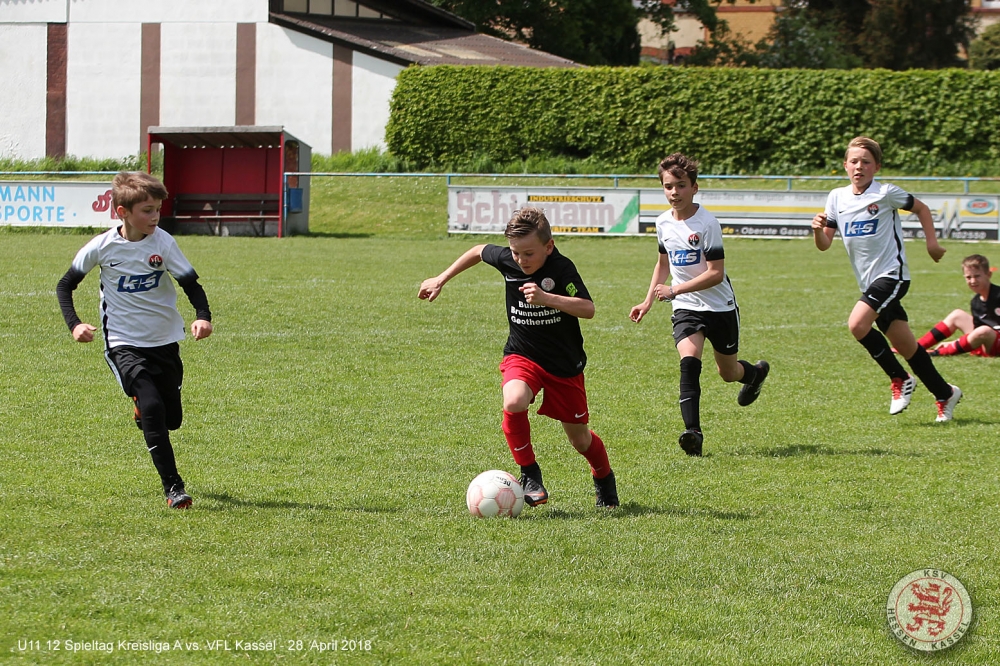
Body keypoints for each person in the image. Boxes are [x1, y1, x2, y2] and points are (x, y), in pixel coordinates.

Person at [418, 207, 618, 508]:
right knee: (513, 400)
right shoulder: (508, 260)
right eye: (515, 253)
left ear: (548, 246)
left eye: (528, 254)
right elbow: (478, 250)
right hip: (522, 354)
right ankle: (529, 473)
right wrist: (441, 278)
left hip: (564, 364)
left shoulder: (562, 268)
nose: (521, 260)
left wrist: (547, 298)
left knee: (580, 440)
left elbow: (587, 308)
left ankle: (604, 478)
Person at [56, 171, 213, 509]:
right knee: (154, 407)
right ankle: (174, 488)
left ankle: (144, 410)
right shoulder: (102, 246)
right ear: (122, 212)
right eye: (147, 210)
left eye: (157, 209)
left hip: (165, 340)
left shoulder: (163, 243)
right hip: (122, 341)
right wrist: (75, 325)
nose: (155, 216)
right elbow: (65, 285)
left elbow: (190, 283)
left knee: (172, 419)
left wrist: (203, 316)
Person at [812, 136, 961, 422]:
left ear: (876, 167)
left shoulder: (886, 193)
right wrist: (818, 229)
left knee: (857, 324)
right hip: (869, 283)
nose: (859, 167)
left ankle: (900, 378)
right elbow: (824, 244)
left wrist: (932, 243)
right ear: (845, 165)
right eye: (854, 161)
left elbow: (921, 208)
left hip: (892, 275)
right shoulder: (836, 197)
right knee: (907, 347)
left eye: (866, 162)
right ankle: (945, 393)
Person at [630, 153, 769, 457]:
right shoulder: (663, 222)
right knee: (689, 362)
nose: (674, 192)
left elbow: (716, 274)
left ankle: (755, 375)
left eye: (681, 185)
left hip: (720, 307)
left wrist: (674, 289)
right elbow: (663, 263)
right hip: (687, 307)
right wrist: (648, 300)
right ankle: (693, 433)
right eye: (668, 186)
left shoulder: (707, 223)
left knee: (728, 372)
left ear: (694, 187)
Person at [916, 254, 1000, 357]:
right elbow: (975, 333)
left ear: (989, 274)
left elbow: (982, 333)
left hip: (995, 343)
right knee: (957, 315)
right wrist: (954, 342)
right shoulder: (975, 302)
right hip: (987, 343)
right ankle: (915, 347)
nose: (973, 281)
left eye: (977, 276)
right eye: (968, 277)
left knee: (984, 331)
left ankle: (936, 353)